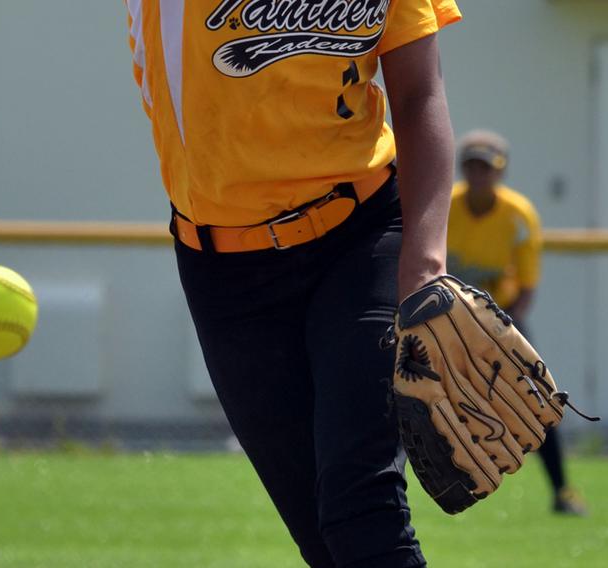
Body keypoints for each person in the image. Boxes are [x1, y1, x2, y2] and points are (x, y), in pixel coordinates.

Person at [124, 1, 461, 566]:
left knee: (362, 510)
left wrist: (425, 265)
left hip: (362, 236)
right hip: (227, 274)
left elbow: (418, 94)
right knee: (322, 539)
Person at [446, 129, 588, 516]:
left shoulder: (518, 215)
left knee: (538, 401)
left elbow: (526, 289)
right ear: (461, 168)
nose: (479, 174)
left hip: (500, 318)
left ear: (500, 171)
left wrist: (503, 334)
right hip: (445, 319)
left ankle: (562, 492)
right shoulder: (445, 206)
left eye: (486, 167)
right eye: (472, 165)